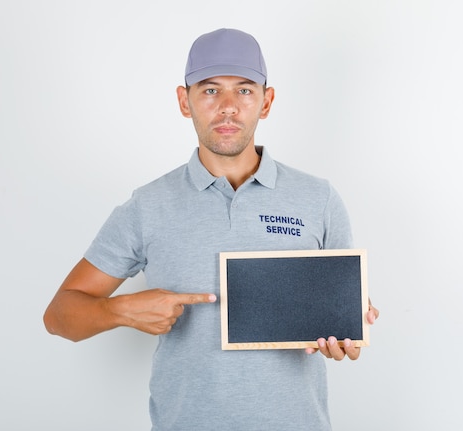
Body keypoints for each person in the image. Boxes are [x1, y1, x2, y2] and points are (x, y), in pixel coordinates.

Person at [44, 28, 379, 431]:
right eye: (209, 90)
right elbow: (59, 316)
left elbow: (343, 316)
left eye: (244, 90)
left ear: (266, 101)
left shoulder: (318, 199)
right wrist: (119, 310)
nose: (227, 107)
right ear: (184, 102)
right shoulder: (147, 206)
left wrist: (347, 328)